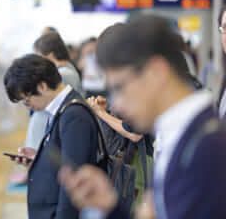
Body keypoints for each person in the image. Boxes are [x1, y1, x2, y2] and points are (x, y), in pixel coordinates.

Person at [59, 15, 226, 219]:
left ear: (156, 72)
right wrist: (110, 207)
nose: (117, 103)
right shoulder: (183, 137)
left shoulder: (206, 150)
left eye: (120, 87)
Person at [3, 54, 99, 219]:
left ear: (41, 86)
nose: (28, 107)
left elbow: (74, 179)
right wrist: (38, 159)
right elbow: (65, 159)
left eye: (27, 100)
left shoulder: (73, 115)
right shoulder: (62, 109)